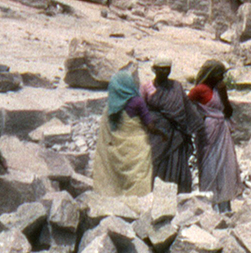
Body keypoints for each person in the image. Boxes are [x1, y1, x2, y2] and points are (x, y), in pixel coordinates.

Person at [189, 60, 242, 210]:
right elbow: (187, 105)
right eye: (219, 74)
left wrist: (224, 95)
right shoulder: (200, 89)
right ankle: (209, 203)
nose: (221, 78)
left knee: (225, 163)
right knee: (209, 164)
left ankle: (224, 203)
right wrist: (197, 120)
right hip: (208, 129)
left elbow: (228, 112)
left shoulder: (220, 90)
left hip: (222, 129)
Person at [92, 67, 154, 197]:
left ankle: (114, 198)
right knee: (138, 174)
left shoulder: (110, 108)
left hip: (115, 150)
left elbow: (107, 132)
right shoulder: (137, 102)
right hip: (137, 148)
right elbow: (149, 124)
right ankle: (137, 200)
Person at [142, 58, 197, 192]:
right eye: (161, 68)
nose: (165, 71)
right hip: (156, 133)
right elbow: (141, 110)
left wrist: (193, 129)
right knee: (156, 161)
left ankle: (179, 197)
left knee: (175, 162)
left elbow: (187, 108)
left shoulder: (176, 86)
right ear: (154, 69)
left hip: (176, 131)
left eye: (167, 68)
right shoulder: (146, 87)